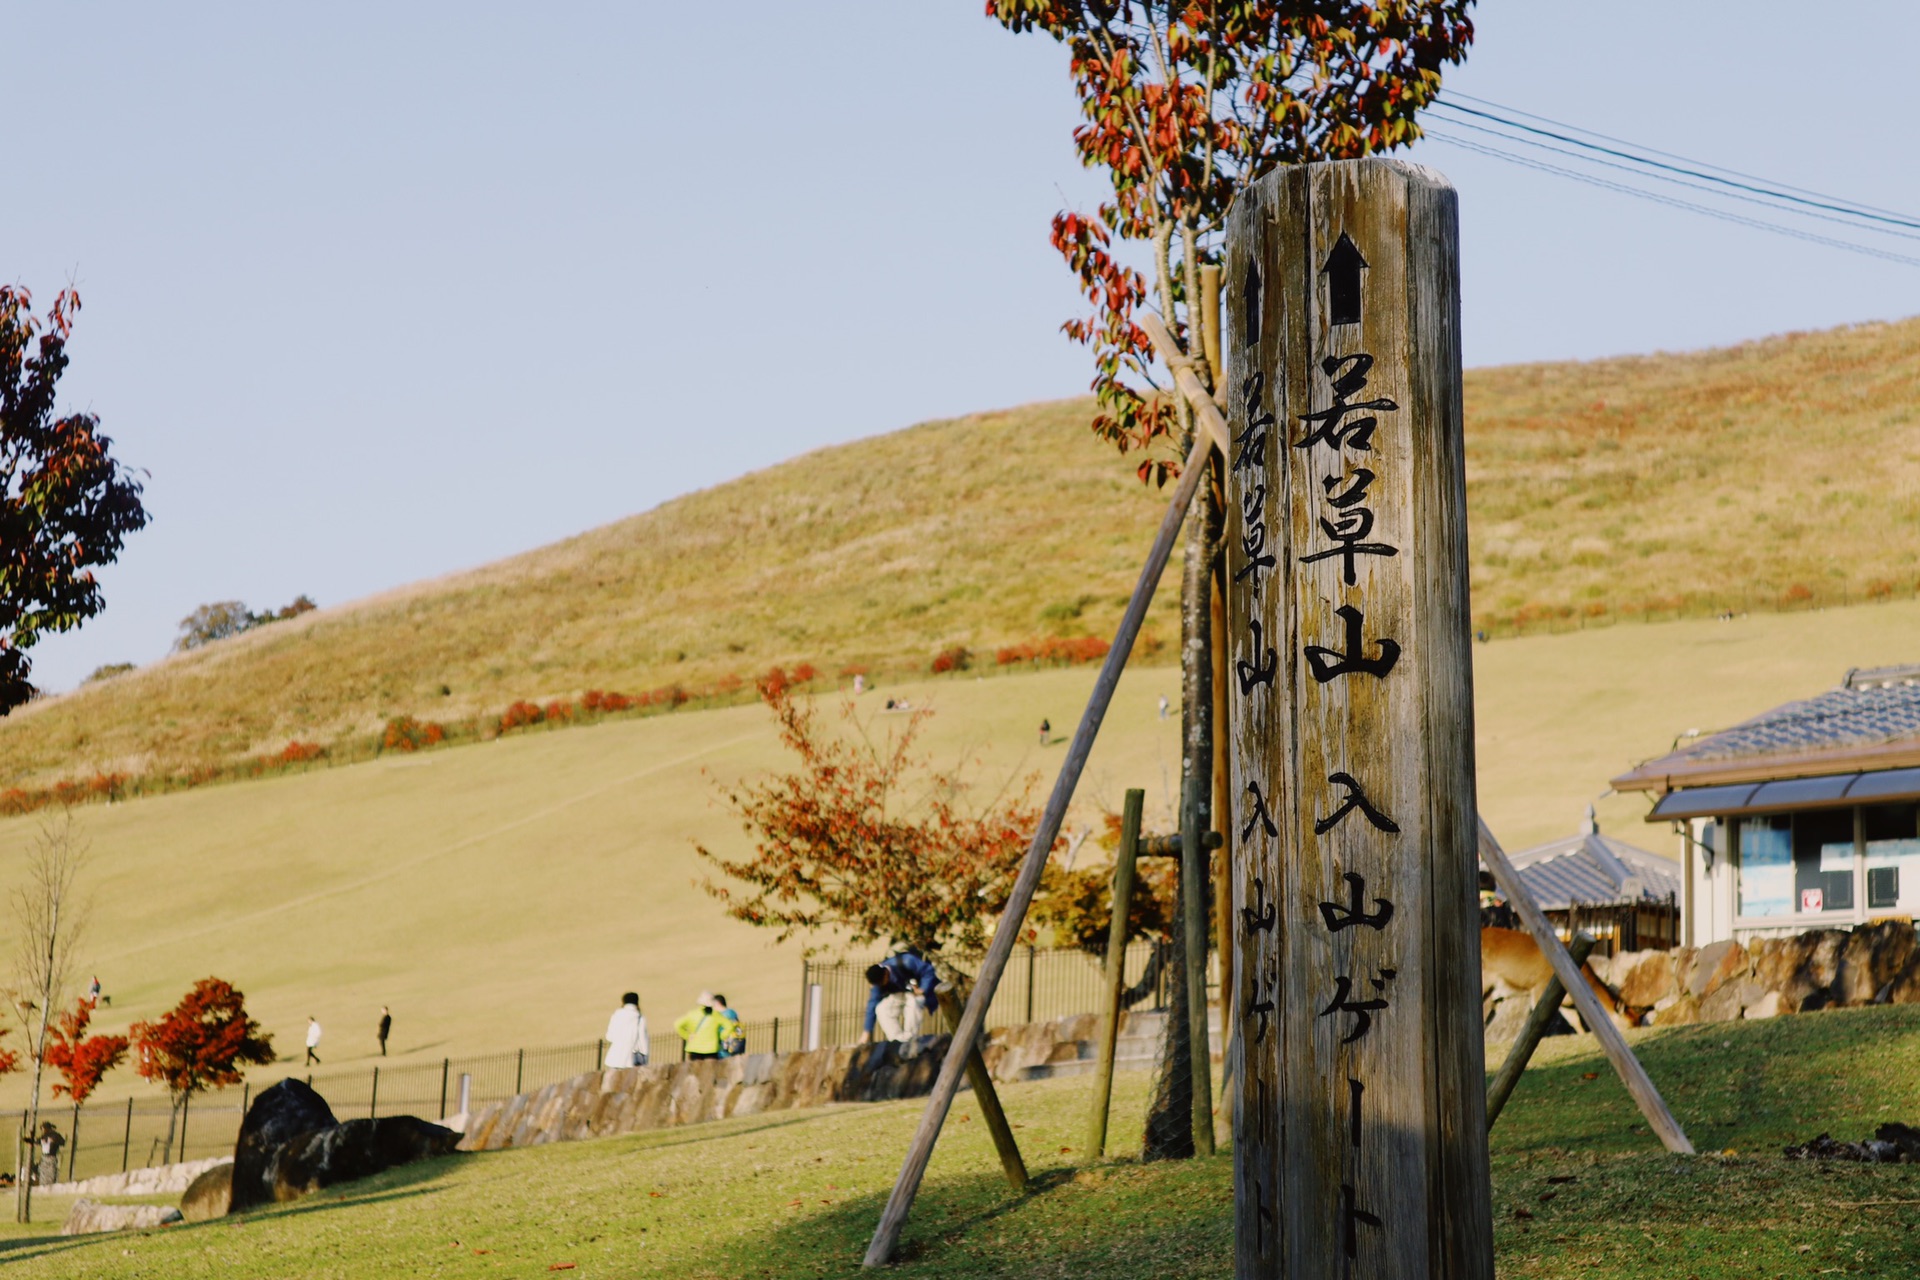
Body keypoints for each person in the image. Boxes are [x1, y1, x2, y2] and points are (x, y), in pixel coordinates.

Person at [864, 949, 941, 1044]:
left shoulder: (906, 961)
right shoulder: (878, 981)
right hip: (899, 994)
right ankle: (897, 1041)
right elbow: (873, 1003)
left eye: (881, 983)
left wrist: (923, 989)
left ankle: (909, 1039)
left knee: (913, 1004)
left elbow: (928, 971)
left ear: (885, 974)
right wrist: (867, 1031)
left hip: (917, 993)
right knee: (881, 1009)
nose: (881, 986)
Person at [604, 992, 649, 1068]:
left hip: (614, 1058)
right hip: (631, 1060)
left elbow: (609, 1037)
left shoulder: (616, 1015)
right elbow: (642, 1040)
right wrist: (645, 1058)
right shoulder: (639, 1018)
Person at [674, 994, 724, 1060]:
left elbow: (677, 1024)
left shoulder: (692, 1014)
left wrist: (687, 1035)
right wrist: (720, 1036)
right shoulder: (716, 1015)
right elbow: (729, 1026)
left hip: (694, 1048)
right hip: (711, 1049)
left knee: (696, 1069)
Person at [35, 1123, 62, 1187]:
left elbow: (61, 1142)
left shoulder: (54, 1136)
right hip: (46, 1158)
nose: (42, 1131)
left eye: (42, 1129)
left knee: (49, 1173)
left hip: (51, 1158)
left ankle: (48, 1185)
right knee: (45, 1173)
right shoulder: (45, 1136)